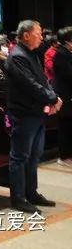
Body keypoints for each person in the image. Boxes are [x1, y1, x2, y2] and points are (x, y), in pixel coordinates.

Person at [4, 20, 61, 213]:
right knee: (20, 156)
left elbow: (43, 80)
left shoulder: (31, 54)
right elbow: (30, 85)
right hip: (24, 113)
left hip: (36, 112)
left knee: (34, 155)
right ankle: (18, 198)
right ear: (26, 35)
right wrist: (52, 98)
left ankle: (31, 192)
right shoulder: (17, 56)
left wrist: (52, 98)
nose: (42, 37)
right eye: (39, 33)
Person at [53, 26, 72, 166]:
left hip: (68, 95)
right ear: (67, 40)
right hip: (64, 96)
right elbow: (68, 74)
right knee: (65, 126)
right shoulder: (61, 54)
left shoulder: (67, 53)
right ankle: (64, 156)